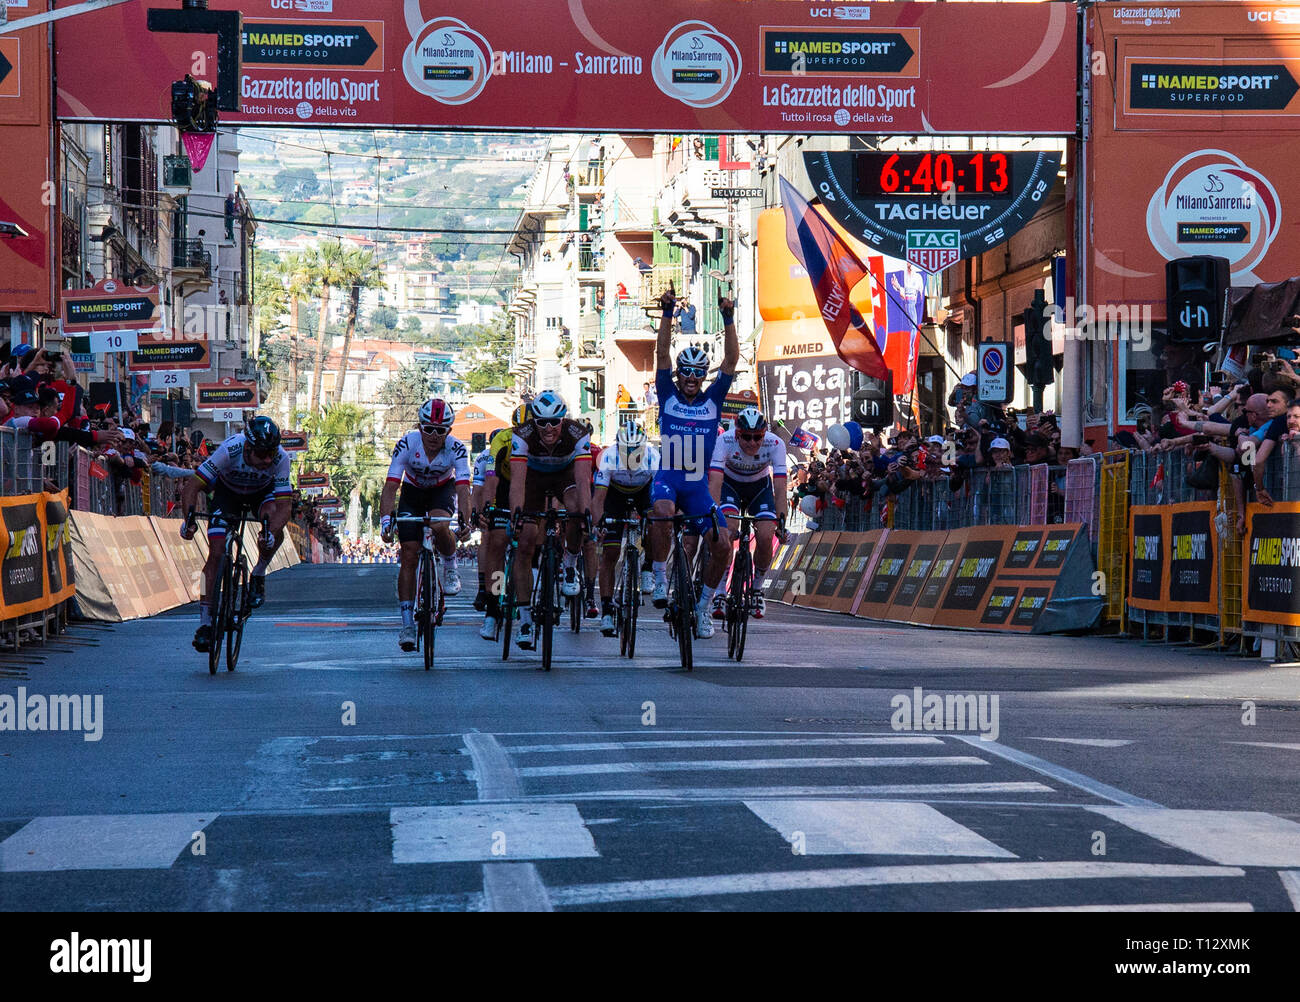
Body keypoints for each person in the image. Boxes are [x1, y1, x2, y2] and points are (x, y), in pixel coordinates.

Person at [649, 286, 740, 640]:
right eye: (685, 372)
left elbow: (731, 361)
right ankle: (658, 577)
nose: (689, 377)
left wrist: (728, 317)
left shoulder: (713, 400)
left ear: (702, 377)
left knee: (723, 542)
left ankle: (704, 606)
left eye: (696, 373)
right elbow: (661, 354)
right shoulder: (667, 392)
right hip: (669, 478)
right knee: (662, 508)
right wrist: (668, 314)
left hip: (698, 488)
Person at [180, 416, 293, 653]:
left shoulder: (281, 458)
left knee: (272, 523)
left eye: (271, 453)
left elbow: (285, 507)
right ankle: (205, 623)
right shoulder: (230, 449)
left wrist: (270, 533)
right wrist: (188, 520)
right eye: (262, 454)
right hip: (227, 494)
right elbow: (193, 486)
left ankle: (259, 573)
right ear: (248, 448)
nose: (268, 460)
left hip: (261, 495)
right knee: (215, 556)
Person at [378, 398, 473, 653]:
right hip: (412, 492)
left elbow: (464, 490)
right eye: (428, 428)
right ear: (419, 427)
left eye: (440, 430)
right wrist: (386, 521)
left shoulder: (457, 448)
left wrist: (466, 520)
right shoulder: (407, 443)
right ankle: (407, 623)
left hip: (442, 491)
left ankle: (450, 565)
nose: (433, 435)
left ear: (449, 432)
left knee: (442, 525)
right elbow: (390, 487)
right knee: (409, 553)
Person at [507, 390, 593, 650]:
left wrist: (586, 514)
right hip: (532, 479)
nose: (548, 428)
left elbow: (582, 479)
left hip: (564, 476)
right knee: (526, 541)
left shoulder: (578, 434)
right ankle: (524, 621)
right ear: (533, 421)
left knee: (577, 510)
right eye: (541, 422)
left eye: (554, 422)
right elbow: (518, 482)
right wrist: (517, 514)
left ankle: (569, 563)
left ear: (562, 420)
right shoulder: (521, 435)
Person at [707, 406, 788, 620]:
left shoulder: (775, 443)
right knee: (728, 530)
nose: (752, 443)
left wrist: (781, 520)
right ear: (737, 433)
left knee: (765, 535)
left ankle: (757, 589)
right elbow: (714, 481)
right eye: (746, 437)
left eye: (757, 437)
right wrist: (713, 515)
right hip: (729, 485)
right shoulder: (723, 441)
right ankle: (721, 591)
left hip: (759, 487)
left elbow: (780, 486)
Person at [592, 421, 659, 636]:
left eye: (636, 449)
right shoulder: (609, 457)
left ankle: (648, 566)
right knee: (610, 553)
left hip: (643, 492)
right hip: (615, 496)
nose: (631, 454)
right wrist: (598, 523)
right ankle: (607, 611)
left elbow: (661, 499)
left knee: (655, 522)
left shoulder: (654, 458)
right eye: (626, 450)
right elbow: (599, 498)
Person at [477, 403, 530, 641]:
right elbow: (491, 478)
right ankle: (493, 607)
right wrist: (489, 506)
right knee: (497, 541)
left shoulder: (542, 443)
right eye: (519, 429)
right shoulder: (502, 441)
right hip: (506, 485)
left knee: (532, 540)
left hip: (533, 487)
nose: (524, 434)